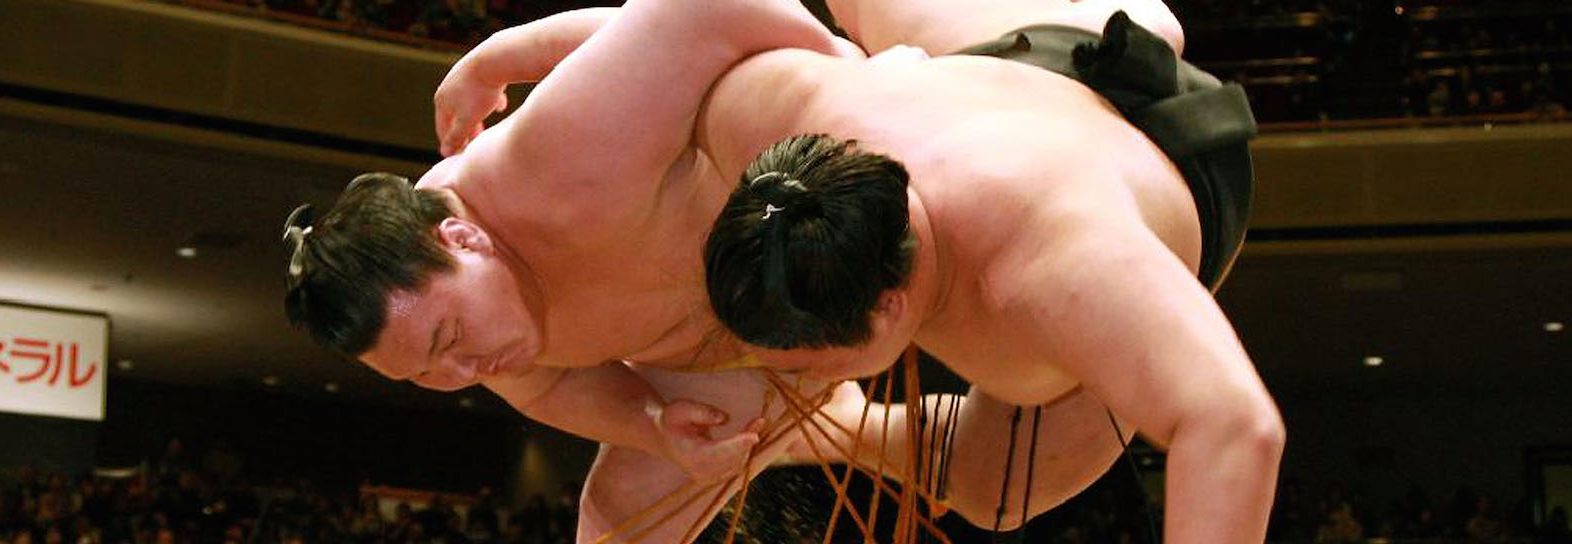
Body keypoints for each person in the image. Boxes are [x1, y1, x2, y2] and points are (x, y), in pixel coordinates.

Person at [433, 0, 1283, 542]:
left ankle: (1129, 23)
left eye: (804, 365)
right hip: (1002, 63)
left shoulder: (1059, 271)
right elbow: (672, 26)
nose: (775, 377)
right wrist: (503, 57)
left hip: (1172, 170)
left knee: (996, 492)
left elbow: (1235, 430)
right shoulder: (771, 113)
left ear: (886, 309)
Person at [285, 2, 1124, 541]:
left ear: (465, 240)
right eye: (425, 373)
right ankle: (830, 432)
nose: (463, 371)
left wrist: (847, 91)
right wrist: (656, 425)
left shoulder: (557, 162)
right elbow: (549, 389)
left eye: (450, 339)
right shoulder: (471, 338)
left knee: (998, 485)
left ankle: (1135, 306)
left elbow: (700, 9)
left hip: (838, 246)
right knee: (616, 526)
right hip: (725, 364)